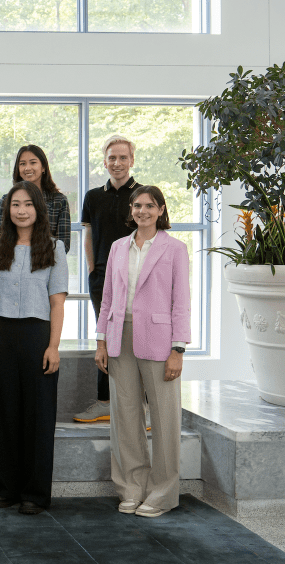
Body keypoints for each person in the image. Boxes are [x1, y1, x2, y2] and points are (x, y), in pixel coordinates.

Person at [95, 186, 190, 518]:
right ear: (131, 210)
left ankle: (162, 493)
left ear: (161, 210)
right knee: (125, 418)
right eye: (137, 205)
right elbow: (107, 298)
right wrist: (101, 341)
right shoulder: (119, 247)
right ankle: (131, 487)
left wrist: (178, 348)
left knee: (165, 419)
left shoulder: (175, 249)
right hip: (120, 336)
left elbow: (182, 303)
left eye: (150, 205)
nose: (143, 211)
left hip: (161, 341)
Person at [0, 181, 68, 515]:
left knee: (38, 415)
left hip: (37, 335)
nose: (21, 210)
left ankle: (34, 493)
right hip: (2, 333)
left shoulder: (54, 248)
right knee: (4, 413)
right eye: (15, 204)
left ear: (38, 209)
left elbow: (57, 303)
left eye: (28, 204)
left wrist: (54, 346)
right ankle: (4, 489)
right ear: (7, 210)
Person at [75, 135, 140, 424]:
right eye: (112, 157)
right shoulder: (92, 196)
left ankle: (141, 405)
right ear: (105, 161)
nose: (117, 163)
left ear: (132, 161)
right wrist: (92, 269)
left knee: (137, 336)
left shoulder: (144, 195)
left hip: (137, 277)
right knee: (106, 337)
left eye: (123, 157)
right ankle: (104, 402)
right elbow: (88, 235)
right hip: (102, 277)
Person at [0, 144, 71, 252]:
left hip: (47, 264)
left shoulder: (59, 201)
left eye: (33, 162)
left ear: (43, 167)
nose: (27, 168)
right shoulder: (6, 200)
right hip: (12, 264)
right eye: (22, 164)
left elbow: (63, 245)